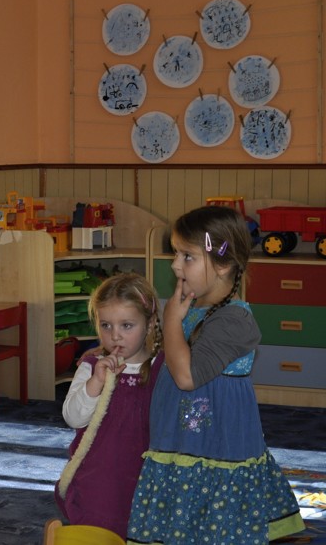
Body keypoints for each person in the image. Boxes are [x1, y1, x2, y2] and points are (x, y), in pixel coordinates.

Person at [127, 205, 304, 544]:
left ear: (223, 265)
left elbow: (187, 377)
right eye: (175, 253)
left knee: (216, 523)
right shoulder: (195, 308)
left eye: (187, 256)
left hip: (216, 445)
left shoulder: (235, 320)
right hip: (183, 437)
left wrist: (171, 321)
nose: (175, 265)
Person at [55, 272, 164, 539]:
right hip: (99, 478)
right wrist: (96, 383)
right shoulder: (92, 366)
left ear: (150, 324)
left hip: (145, 477)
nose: (115, 336)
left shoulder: (162, 368)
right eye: (106, 325)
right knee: (97, 532)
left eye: (127, 325)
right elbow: (73, 417)